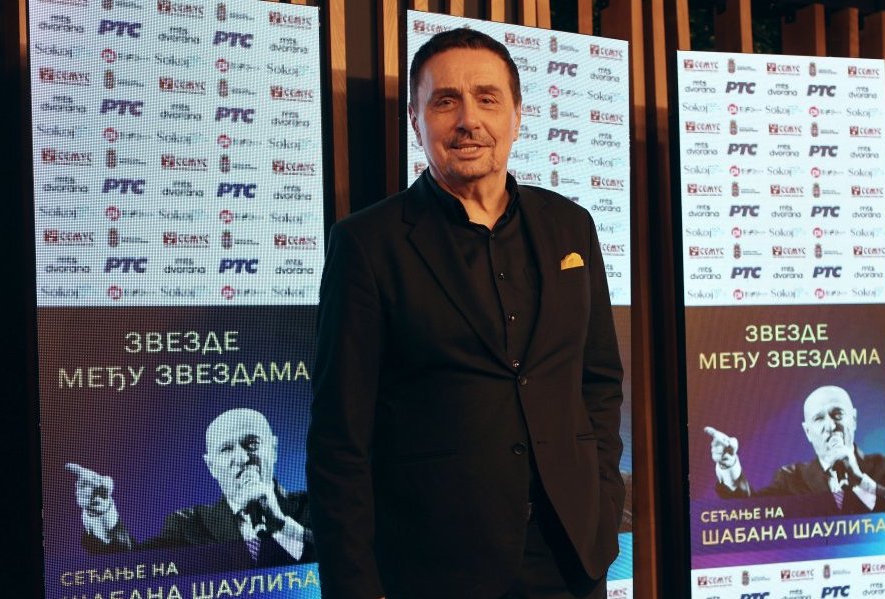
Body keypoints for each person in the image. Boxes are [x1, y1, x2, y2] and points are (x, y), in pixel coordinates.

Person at [309, 27, 625, 599]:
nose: (468, 120)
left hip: (570, 557)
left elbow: (597, 379)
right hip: (436, 567)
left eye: (487, 98)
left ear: (517, 116)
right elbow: (339, 438)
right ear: (416, 120)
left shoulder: (571, 226)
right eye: (445, 101)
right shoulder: (368, 244)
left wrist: (602, 499)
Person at [66, 408, 313, 567]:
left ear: (273, 449)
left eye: (252, 443)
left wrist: (283, 526)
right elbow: (133, 568)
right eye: (226, 449)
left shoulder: (314, 508)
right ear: (211, 466)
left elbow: (336, 561)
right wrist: (101, 511)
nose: (241, 457)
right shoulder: (188, 525)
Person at [705, 385, 885, 513]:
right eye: (819, 418)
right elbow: (751, 512)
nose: (830, 426)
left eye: (837, 414)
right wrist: (729, 465)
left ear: (853, 419)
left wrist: (861, 481)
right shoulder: (791, 479)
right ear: (807, 432)